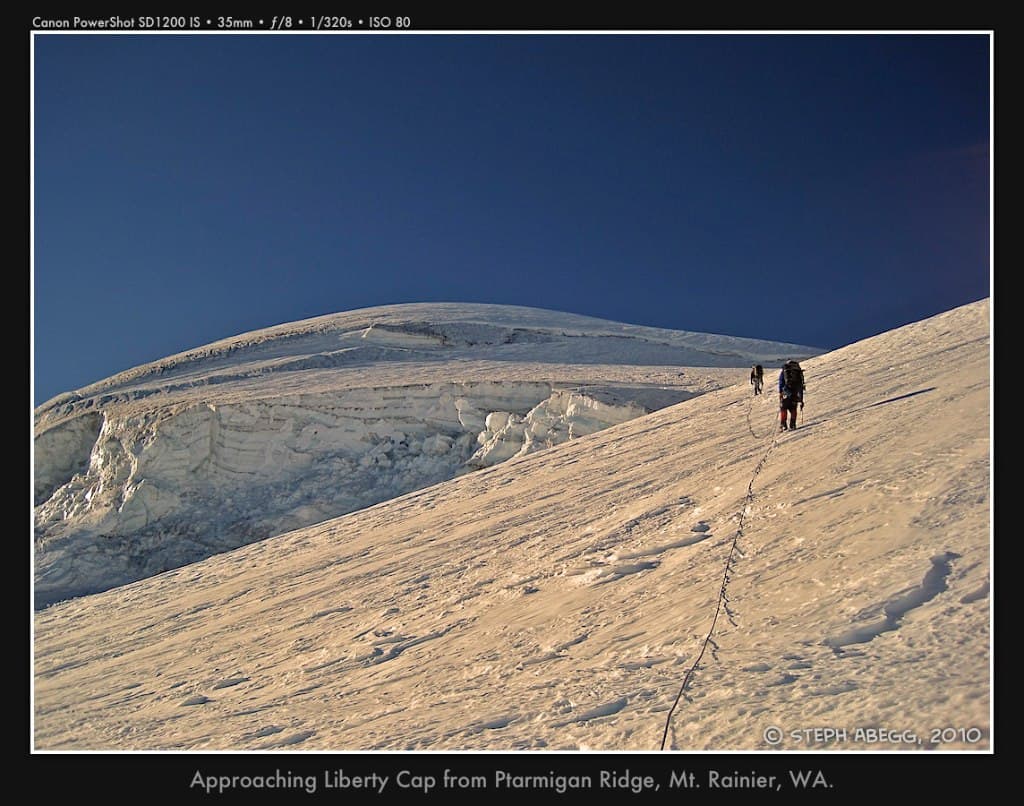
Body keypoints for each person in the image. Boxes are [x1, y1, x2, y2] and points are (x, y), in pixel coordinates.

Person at [778, 360, 805, 431]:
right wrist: (801, 399)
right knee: (793, 409)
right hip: (795, 393)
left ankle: (783, 424)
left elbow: (781, 382)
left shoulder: (784, 371)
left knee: (783, 408)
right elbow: (801, 385)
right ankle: (792, 424)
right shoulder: (798, 372)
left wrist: (781, 392)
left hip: (785, 393)